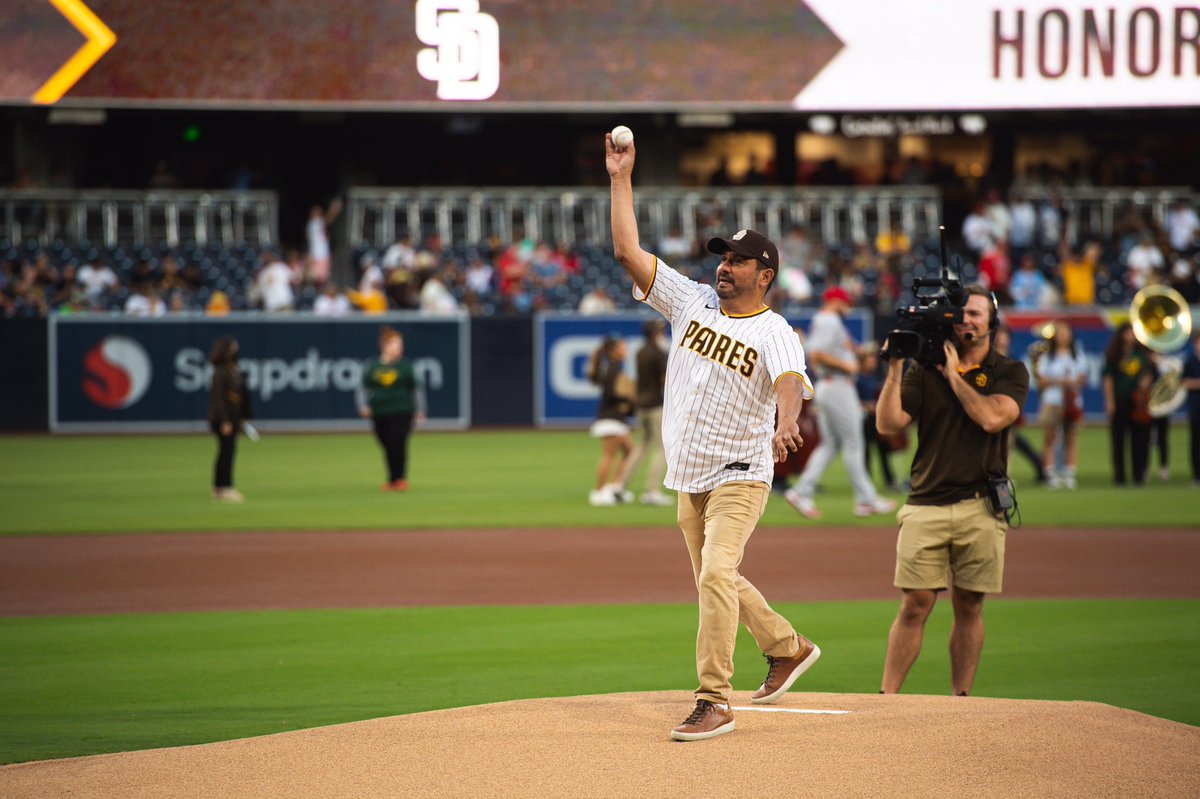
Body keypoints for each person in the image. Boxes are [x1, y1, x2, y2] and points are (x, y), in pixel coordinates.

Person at [607, 130, 821, 742]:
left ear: (766, 273)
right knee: (716, 579)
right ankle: (786, 646)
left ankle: (714, 698)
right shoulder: (692, 302)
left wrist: (786, 424)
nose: (724, 266)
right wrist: (621, 177)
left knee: (715, 574)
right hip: (689, 474)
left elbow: (788, 379)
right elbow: (627, 250)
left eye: (737, 260)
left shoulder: (775, 329)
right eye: (722, 257)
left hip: (741, 473)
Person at [876, 285, 1030, 696]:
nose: (967, 320)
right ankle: (886, 698)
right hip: (925, 502)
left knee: (969, 605)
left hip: (981, 505)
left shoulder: (1009, 372)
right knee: (915, 604)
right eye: (961, 314)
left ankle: (961, 699)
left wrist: (956, 378)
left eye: (977, 314)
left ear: (992, 323)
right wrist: (894, 367)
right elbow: (889, 425)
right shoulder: (923, 369)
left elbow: (992, 418)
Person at [783, 286, 896, 519]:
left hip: (831, 385)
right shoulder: (829, 319)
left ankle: (801, 491)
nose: (848, 308)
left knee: (831, 444)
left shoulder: (827, 321)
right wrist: (848, 366)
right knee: (854, 442)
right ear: (836, 301)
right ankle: (866, 499)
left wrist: (858, 356)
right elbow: (815, 354)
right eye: (845, 303)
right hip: (837, 385)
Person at [358, 327, 424, 491]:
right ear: (385, 346)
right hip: (379, 411)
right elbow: (362, 387)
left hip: (402, 410)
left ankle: (398, 479)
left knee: (398, 443)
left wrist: (419, 410)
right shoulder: (373, 366)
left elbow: (416, 389)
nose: (398, 348)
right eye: (394, 345)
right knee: (386, 444)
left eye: (399, 345)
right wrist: (363, 405)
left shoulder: (406, 366)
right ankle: (393, 478)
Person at [619, 318, 671, 506]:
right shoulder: (658, 353)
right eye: (659, 331)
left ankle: (621, 486)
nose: (662, 333)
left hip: (641, 404)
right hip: (655, 404)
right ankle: (651, 491)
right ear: (654, 333)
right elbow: (664, 380)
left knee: (642, 445)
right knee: (661, 447)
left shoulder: (640, 351)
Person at [1035, 320, 1089, 489]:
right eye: (1060, 332)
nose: (1063, 336)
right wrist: (1057, 380)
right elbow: (1041, 381)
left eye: (1066, 332)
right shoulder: (1047, 356)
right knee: (1050, 437)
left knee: (1070, 437)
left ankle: (1069, 472)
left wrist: (1071, 382)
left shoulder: (1077, 355)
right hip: (1052, 401)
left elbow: (1083, 378)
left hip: (1071, 401)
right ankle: (1050, 473)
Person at [1102, 322, 1153, 486]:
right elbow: (1108, 378)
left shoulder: (1142, 354)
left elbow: (1148, 372)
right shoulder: (1114, 355)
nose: (1131, 336)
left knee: (1139, 438)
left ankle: (1139, 474)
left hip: (1138, 402)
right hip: (1120, 401)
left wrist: (1146, 382)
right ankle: (1120, 476)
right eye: (1128, 332)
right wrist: (1109, 401)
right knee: (1118, 439)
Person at [586, 334, 635, 506]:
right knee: (609, 455)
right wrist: (628, 398)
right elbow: (612, 394)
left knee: (629, 451)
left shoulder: (613, 367)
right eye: (622, 346)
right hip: (610, 418)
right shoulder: (613, 368)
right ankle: (599, 492)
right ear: (614, 351)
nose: (625, 349)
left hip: (614, 418)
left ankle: (615, 488)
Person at [207, 336, 251, 503]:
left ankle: (220, 487)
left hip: (233, 418)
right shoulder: (220, 372)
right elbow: (218, 398)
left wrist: (243, 417)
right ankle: (224, 487)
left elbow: (240, 396)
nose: (235, 352)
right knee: (226, 452)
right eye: (232, 349)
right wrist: (225, 420)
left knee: (228, 452)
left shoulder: (234, 370)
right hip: (222, 419)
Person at [1183, 333, 1200, 487]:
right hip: (1195, 408)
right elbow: (1183, 382)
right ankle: (1196, 475)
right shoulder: (1190, 362)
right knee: (1195, 442)